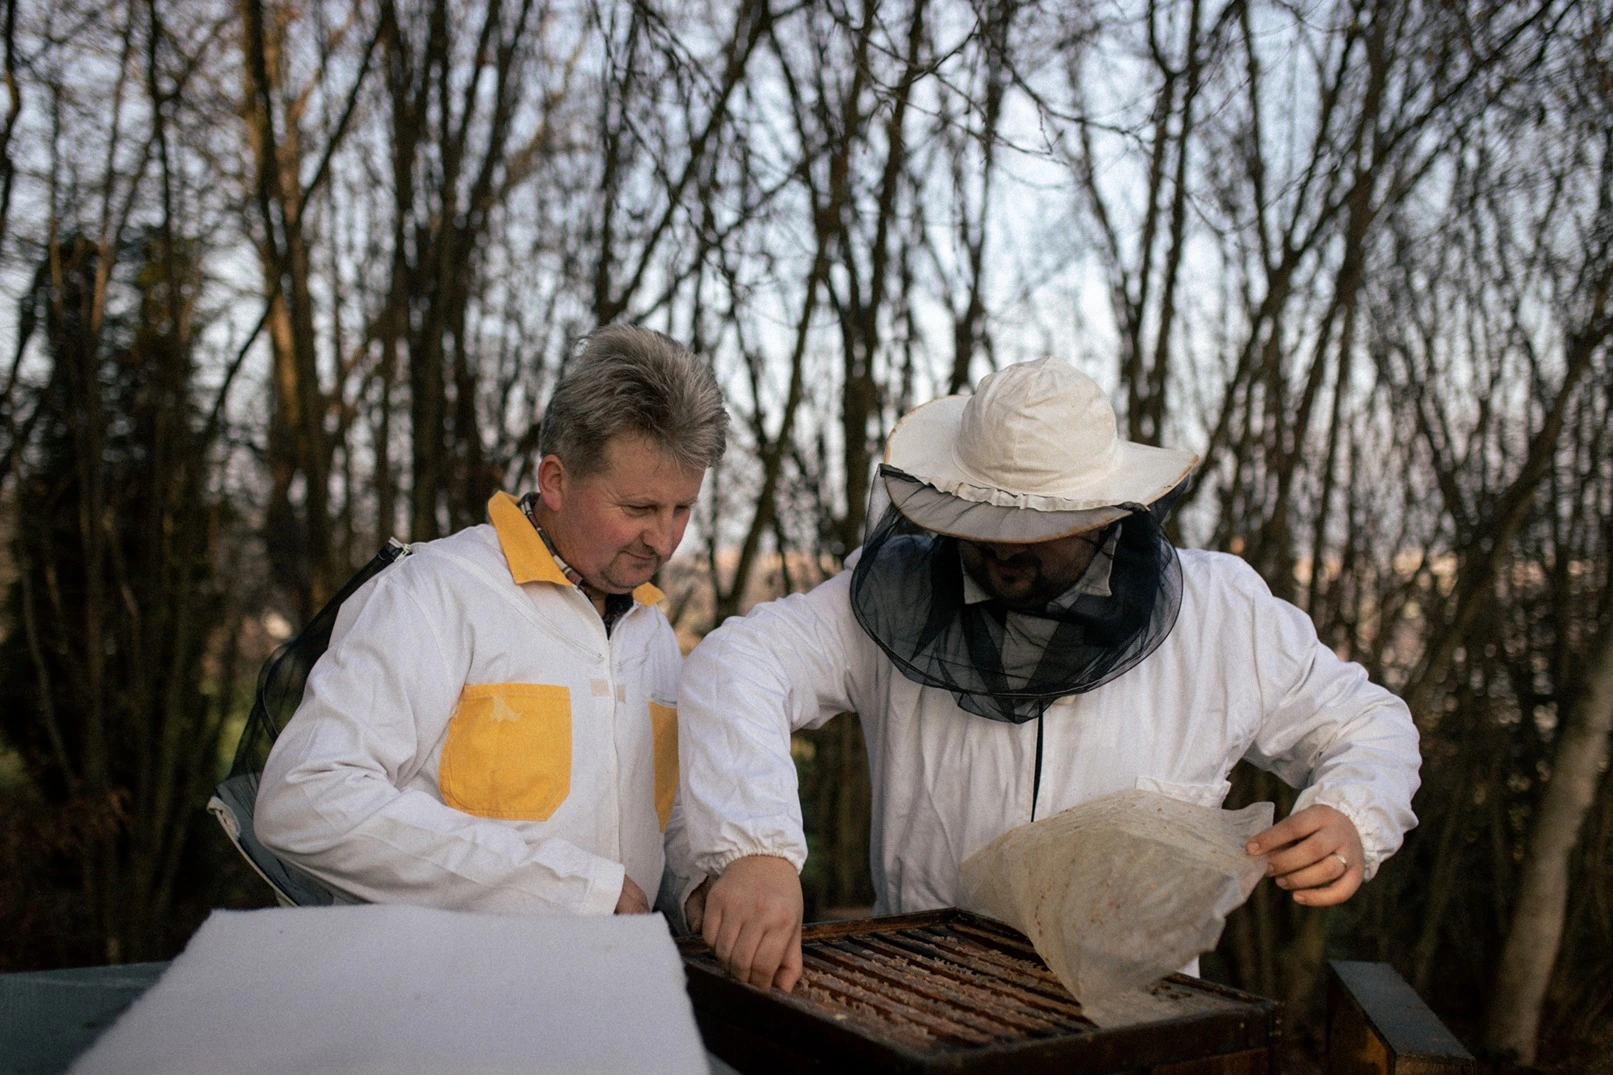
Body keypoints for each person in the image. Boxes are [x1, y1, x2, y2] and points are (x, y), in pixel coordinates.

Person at [676, 356, 1420, 991]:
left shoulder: (1222, 613)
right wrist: (753, 848)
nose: (1004, 551)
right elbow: (738, 661)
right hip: (925, 1000)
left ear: (1103, 513)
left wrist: (1354, 815)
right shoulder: (888, 598)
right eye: (983, 523)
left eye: (1037, 529)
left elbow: (1367, 724)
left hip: (1131, 1027)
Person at [255, 324, 728, 916]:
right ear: (554, 480)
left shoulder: (651, 627)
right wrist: (569, 893)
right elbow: (305, 799)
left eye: (682, 508)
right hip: (442, 995)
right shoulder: (434, 593)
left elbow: (657, 814)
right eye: (637, 508)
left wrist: (699, 888)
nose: (663, 539)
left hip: (612, 991)